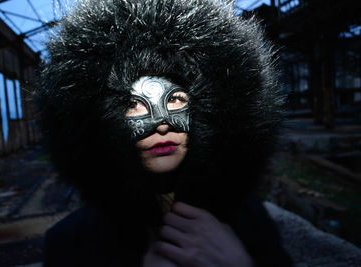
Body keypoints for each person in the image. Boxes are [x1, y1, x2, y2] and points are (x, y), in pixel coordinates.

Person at [39, 0, 293, 266]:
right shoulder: (70, 243)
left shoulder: (250, 221)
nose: (162, 123)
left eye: (174, 100)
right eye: (134, 105)